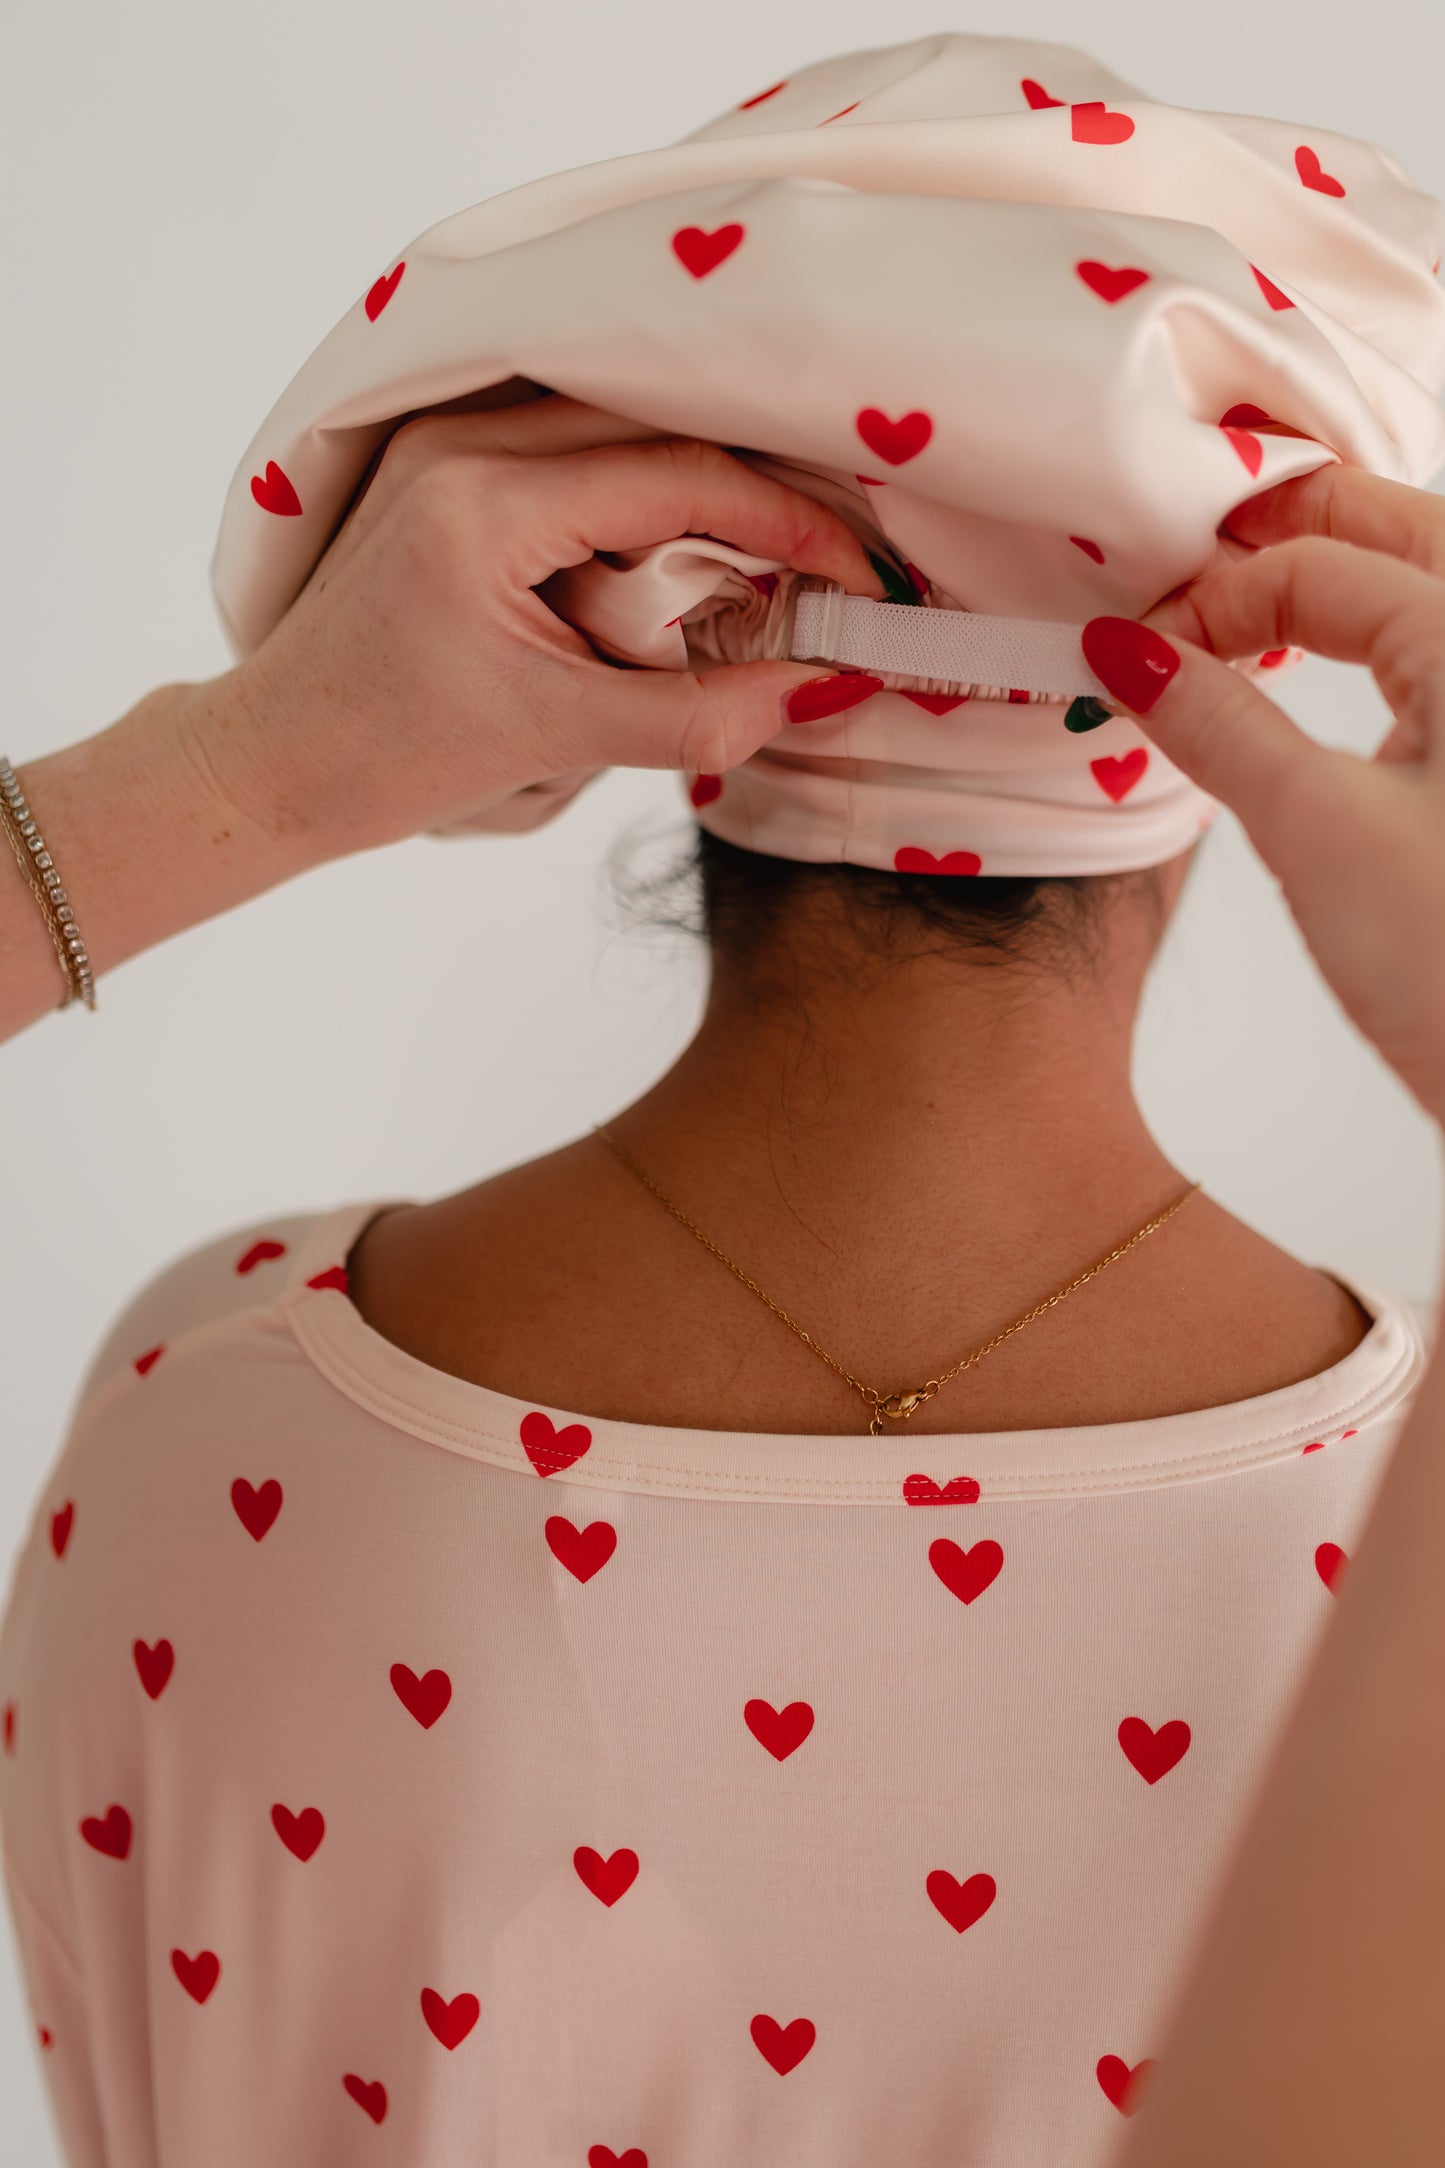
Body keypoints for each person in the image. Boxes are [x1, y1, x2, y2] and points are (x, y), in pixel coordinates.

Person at [0, 395, 1442, 2168]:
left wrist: (227, 777)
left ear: (666, 659)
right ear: (1237, 725)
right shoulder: (1412, 1525)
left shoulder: (200, 1392)